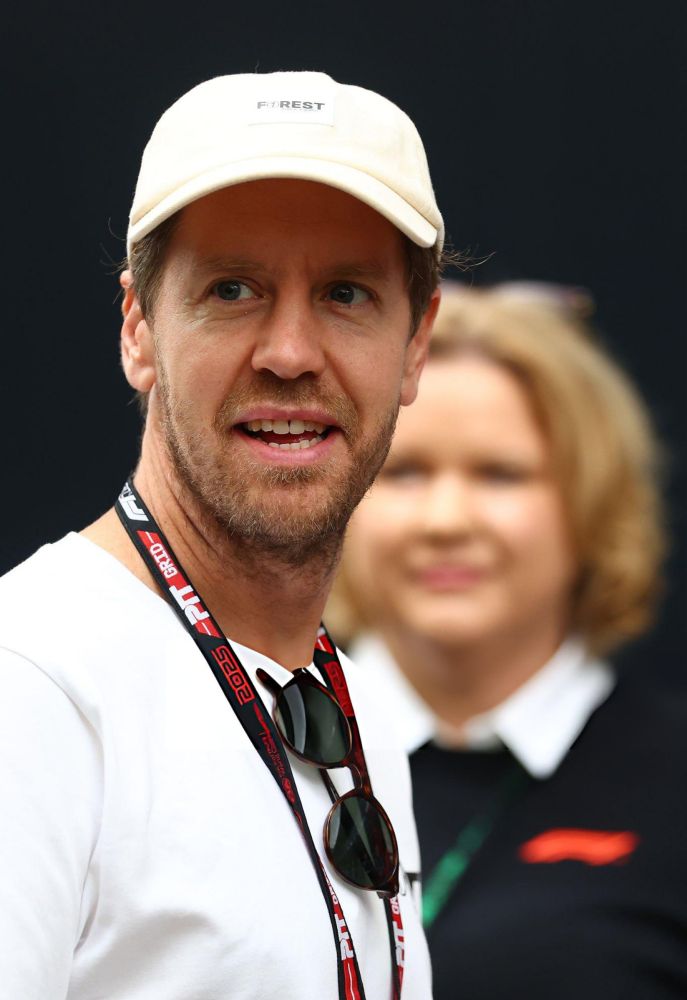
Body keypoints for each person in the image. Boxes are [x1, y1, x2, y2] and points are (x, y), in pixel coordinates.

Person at [0, 71, 446, 1000]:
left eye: (346, 293)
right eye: (232, 289)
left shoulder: (359, 714)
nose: (289, 353)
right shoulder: (32, 685)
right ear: (138, 329)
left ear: (415, 344)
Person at [328, 282, 687, 998]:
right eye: (404, 472)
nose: (445, 520)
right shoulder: (237, 757)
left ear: (592, 501)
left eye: (500, 475)